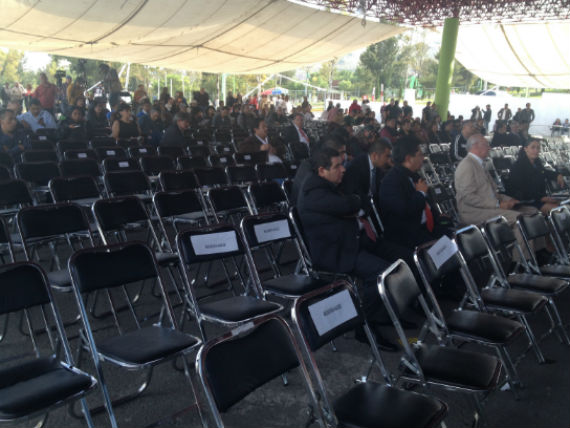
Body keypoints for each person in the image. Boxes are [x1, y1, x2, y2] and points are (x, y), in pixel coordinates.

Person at [298, 147, 407, 351]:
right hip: (336, 251)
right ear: (322, 170)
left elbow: (359, 200)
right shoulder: (313, 191)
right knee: (382, 273)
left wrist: (353, 204)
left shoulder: (331, 184)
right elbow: (351, 204)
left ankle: (385, 314)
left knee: (401, 259)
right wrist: (353, 204)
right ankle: (365, 326)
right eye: (337, 166)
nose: (343, 169)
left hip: (354, 240)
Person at [379, 136, 451, 248]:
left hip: (427, 226)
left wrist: (437, 215)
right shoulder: (391, 181)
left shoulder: (413, 175)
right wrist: (420, 194)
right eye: (420, 155)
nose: (423, 158)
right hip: (409, 234)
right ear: (408, 158)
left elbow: (426, 204)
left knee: (457, 238)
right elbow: (403, 212)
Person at [454, 133, 538, 226]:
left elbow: (493, 194)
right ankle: (520, 240)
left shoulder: (480, 164)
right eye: (486, 145)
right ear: (475, 146)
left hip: (489, 208)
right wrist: (497, 204)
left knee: (533, 212)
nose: (489, 148)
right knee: (520, 219)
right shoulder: (467, 165)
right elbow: (468, 198)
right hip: (474, 213)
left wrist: (510, 200)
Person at [508, 138, 565, 215]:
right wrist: (542, 198)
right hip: (527, 200)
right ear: (525, 149)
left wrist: (557, 175)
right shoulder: (517, 167)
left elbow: (545, 172)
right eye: (533, 147)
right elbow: (521, 189)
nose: (536, 150)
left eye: (538, 148)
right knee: (559, 211)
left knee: (564, 206)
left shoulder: (537, 163)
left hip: (538, 198)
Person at [342, 139, 392, 216]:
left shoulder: (378, 167)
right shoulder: (356, 167)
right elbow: (357, 195)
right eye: (387, 156)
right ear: (375, 155)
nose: (389, 160)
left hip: (374, 206)